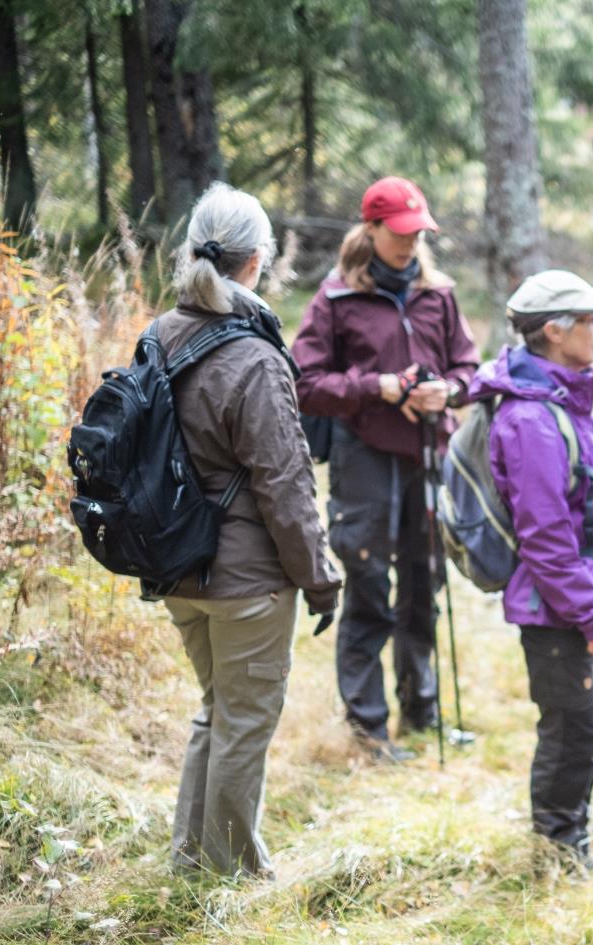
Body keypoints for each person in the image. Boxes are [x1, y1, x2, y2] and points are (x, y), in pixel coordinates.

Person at [155, 183, 342, 877]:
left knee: (217, 709)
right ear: (258, 261)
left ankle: (190, 857)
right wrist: (321, 579)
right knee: (242, 720)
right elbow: (285, 486)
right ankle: (231, 871)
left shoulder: (160, 334)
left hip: (174, 565)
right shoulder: (257, 360)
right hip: (246, 582)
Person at [292, 176, 479, 763]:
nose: (410, 242)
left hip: (428, 453)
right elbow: (305, 383)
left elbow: (469, 367)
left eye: (417, 232)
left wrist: (448, 392)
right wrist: (378, 387)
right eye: (399, 233)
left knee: (425, 585)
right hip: (364, 458)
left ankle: (423, 712)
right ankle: (369, 732)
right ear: (370, 229)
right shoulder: (335, 299)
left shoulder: (438, 294)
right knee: (370, 588)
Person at [464, 269, 593, 874]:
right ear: (556, 332)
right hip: (554, 604)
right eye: (591, 320)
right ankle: (556, 854)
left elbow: (589, 508)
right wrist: (590, 611)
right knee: (571, 729)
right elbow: (546, 536)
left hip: (574, 593)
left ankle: (570, 846)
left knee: (592, 723)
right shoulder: (531, 419)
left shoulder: (559, 399)